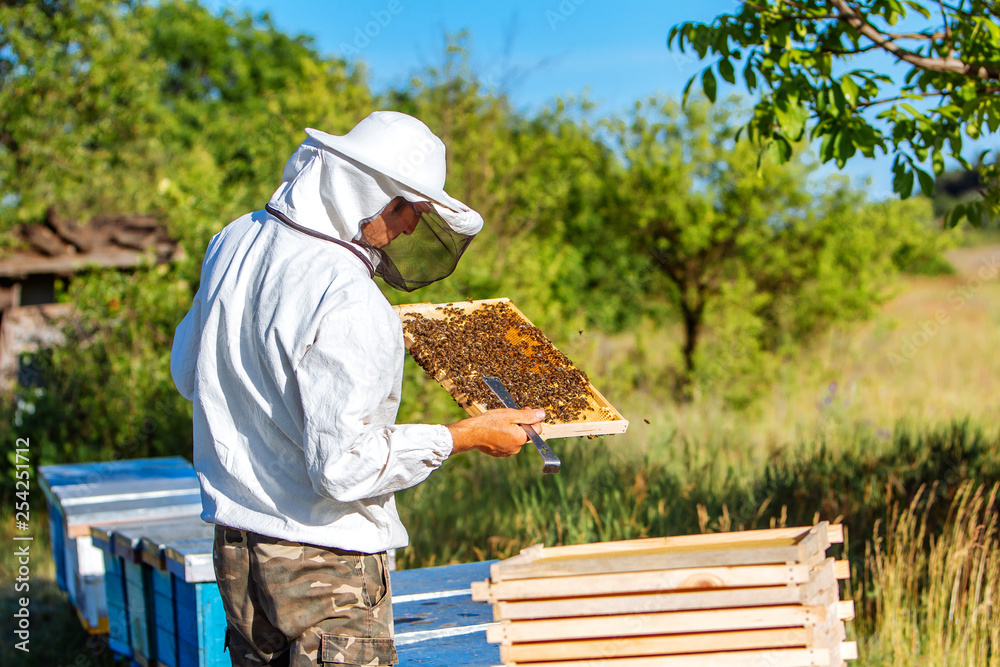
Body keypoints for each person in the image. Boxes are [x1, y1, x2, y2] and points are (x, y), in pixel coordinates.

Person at [169, 111, 545, 667]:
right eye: (408, 210)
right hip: (325, 561)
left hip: (239, 549)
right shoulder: (351, 298)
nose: (414, 228)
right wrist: (465, 435)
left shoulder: (234, 240)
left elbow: (187, 374)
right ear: (362, 193)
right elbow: (345, 468)